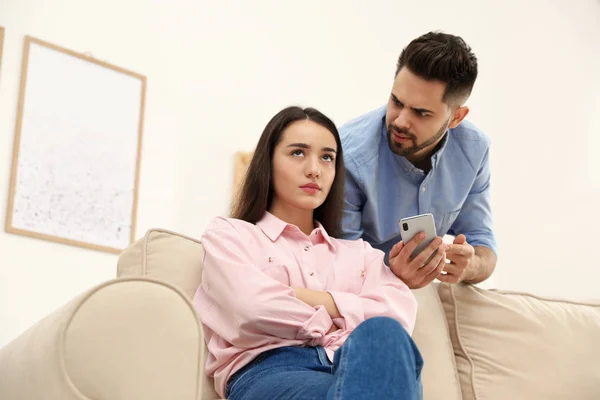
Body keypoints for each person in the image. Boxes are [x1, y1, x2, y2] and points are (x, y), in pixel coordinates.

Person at [193, 106, 425, 400]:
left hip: (356, 370)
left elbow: (398, 315)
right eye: (298, 153)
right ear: (268, 162)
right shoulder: (230, 236)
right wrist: (341, 317)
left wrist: (303, 298)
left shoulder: (361, 254)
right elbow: (251, 309)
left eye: (327, 157)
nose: (315, 168)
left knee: (385, 335)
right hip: (270, 373)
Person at [340, 31, 498, 289]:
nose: (401, 120)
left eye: (421, 113)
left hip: (421, 291)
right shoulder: (348, 156)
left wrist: (471, 266)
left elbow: (483, 241)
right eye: (396, 101)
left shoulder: (474, 151)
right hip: (364, 294)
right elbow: (341, 264)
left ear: (456, 118)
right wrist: (395, 276)